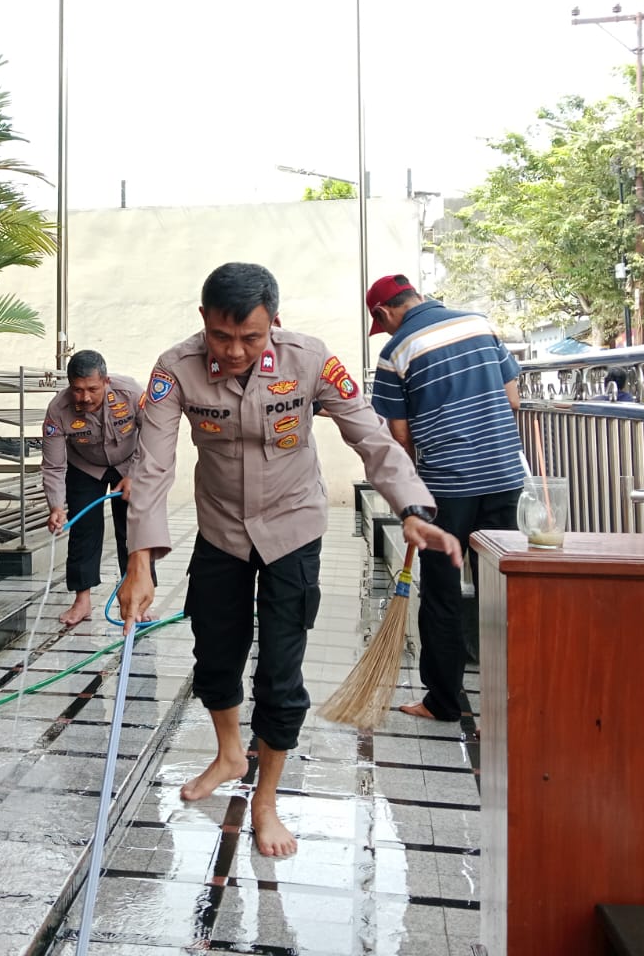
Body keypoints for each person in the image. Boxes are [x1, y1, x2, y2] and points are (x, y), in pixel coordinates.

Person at [116, 263, 459, 858]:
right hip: (221, 530)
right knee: (214, 656)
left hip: (292, 529)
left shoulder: (311, 360)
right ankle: (229, 754)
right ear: (203, 321)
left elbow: (370, 436)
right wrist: (139, 562)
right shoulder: (175, 368)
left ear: (274, 321)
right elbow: (153, 464)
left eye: (250, 337)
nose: (235, 350)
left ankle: (267, 799)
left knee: (280, 673)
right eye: (222, 336)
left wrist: (410, 506)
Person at [365, 273, 525, 725]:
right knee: (502, 589)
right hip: (504, 475)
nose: (385, 330)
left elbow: (399, 434)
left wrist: (412, 495)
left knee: (442, 592)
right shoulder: (480, 324)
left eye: (382, 323)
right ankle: (518, 696)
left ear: (384, 312)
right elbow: (513, 400)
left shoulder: (395, 352)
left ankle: (443, 701)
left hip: (446, 487)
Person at [41, 349, 144, 627]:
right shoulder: (58, 410)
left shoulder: (130, 393)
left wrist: (136, 474)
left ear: (106, 381)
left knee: (134, 530)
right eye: (77, 390)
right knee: (84, 529)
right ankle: (82, 601)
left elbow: (154, 434)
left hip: (130, 463)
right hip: (85, 467)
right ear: (69, 386)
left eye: (92, 389)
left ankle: (136, 600)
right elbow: (53, 466)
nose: (85, 397)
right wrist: (56, 506)